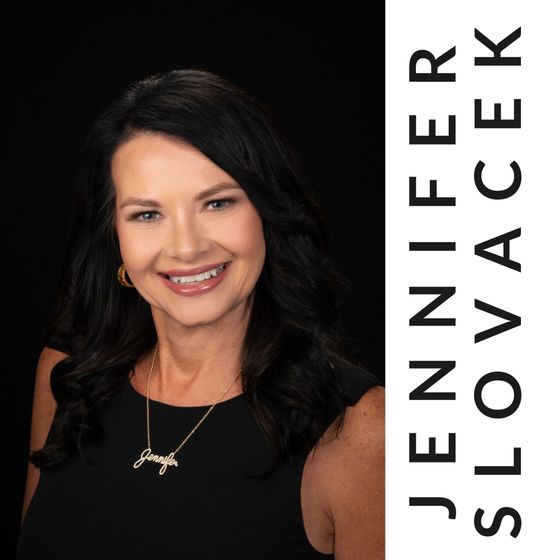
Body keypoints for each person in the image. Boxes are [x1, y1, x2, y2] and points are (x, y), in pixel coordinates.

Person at [16, 68, 384, 559]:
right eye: (147, 214)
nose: (186, 248)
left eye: (217, 203)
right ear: (115, 238)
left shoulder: (361, 430)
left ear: (266, 212)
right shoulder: (67, 375)